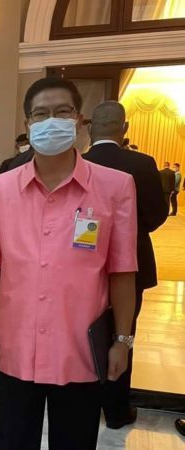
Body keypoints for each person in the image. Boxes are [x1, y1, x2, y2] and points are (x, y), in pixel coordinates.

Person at [0, 77, 137, 450]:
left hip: (79, 350)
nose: (52, 121)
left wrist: (122, 340)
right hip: (16, 346)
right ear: (28, 123)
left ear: (79, 119)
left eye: (62, 111)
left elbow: (122, 271)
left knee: (75, 442)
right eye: (41, 114)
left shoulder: (115, 186)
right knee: (15, 441)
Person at [84, 101, 167, 429]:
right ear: (125, 128)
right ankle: (116, 411)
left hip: (84, 265)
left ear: (90, 128)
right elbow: (157, 214)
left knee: (85, 334)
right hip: (132, 263)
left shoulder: (79, 162)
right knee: (123, 333)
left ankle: (85, 401)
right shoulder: (142, 164)